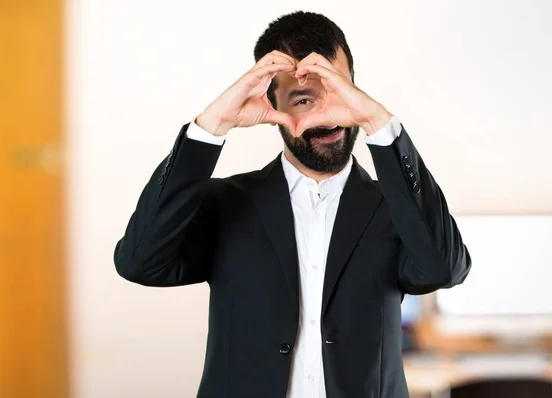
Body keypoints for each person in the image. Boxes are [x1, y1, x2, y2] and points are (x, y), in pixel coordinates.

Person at [114, 10, 471, 398]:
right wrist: (210, 127)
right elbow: (140, 262)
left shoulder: (393, 208)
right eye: (303, 99)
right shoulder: (227, 204)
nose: (325, 116)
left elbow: (444, 269)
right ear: (273, 105)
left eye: (335, 92)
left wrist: (377, 122)